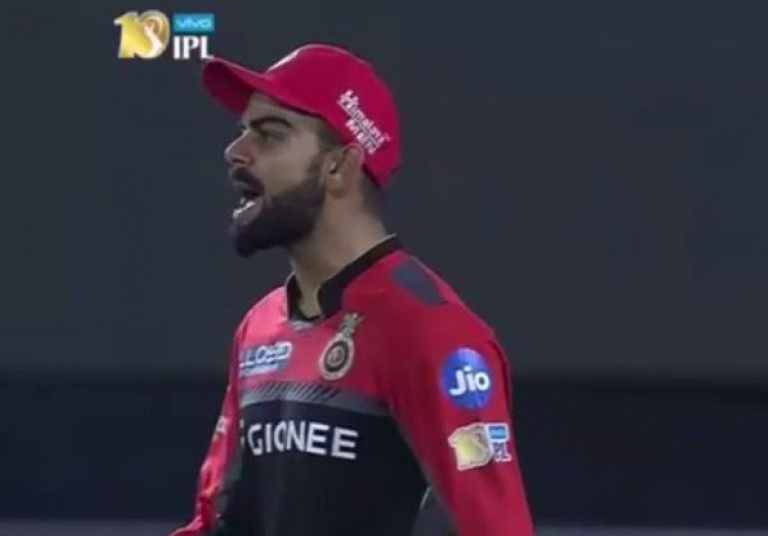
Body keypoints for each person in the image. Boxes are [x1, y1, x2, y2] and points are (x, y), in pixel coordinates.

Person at [170, 43, 534, 536]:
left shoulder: (433, 334)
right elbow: (217, 522)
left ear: (338, 167)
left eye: (270, 133)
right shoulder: (259, 328)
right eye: (242, 130)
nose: (236, 151)